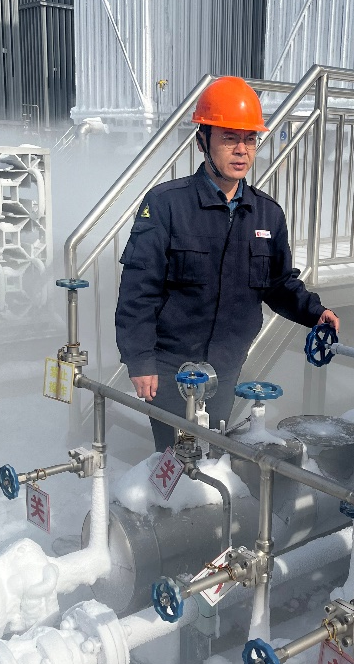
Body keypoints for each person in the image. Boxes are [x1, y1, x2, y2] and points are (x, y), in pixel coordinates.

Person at [115, 76, 339, 451]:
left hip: (226, 366)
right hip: (171, 367)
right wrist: (140, 360)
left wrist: (314, 312)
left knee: (213, 451)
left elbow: (278, 283)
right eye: (229, 138)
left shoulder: (266, 213)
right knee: (176, 458)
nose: (241, 150)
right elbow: (139, 290)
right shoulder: (167, 205)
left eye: (249, 139)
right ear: (202, 140)